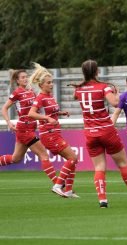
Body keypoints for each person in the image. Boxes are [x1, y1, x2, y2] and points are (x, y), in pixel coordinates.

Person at [72, 59, 127, 208]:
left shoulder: (79, 90)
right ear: (96, 72)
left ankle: (102, 200)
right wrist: (117, 94)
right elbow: (115, 103)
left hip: (90, 133)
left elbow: (76, 96)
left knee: (99, 167)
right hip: (106, 131)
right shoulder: (103, 88)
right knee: (122, 164)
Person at [28, 63, 78, 198]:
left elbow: (51, 112)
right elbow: (31, 113)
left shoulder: (50, 96)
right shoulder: (40, 98)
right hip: (48, 135)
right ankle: (57, 186)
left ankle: (68, 190)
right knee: (73, 157)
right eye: (49, 83)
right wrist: (46, 118)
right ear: (41, 85)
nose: (51, 85)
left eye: (52, 82)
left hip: (55, 133)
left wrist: (61, 113)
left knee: (72, 159)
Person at [0, 69, 57, 185]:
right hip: (24, 129)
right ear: (17, 80)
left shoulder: (31, 91)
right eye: (22, 77)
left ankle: (58, 185)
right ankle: (58, 185)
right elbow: (4, 108)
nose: (25, 79)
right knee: (44, 155)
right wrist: (9, 122)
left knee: (16, 158)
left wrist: (57, 113)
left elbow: (37, 110)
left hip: (30, 128)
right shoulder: (17, 93)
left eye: (26, 77)